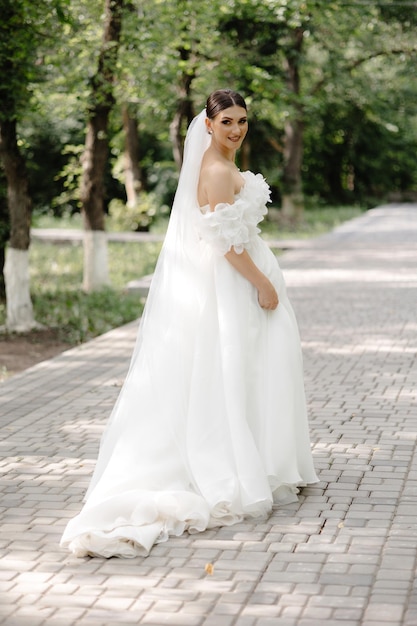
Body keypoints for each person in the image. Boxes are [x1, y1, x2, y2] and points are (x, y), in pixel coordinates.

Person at [60, 89, 318, 558]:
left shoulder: (224, 163)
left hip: (233, 279)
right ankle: (236, 465)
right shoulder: (217, 171)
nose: (237, 129)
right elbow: (227, 245)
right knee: (236, 368)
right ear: (209, 124)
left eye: (243, 121)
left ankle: (262, 458)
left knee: (249, 370)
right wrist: (263, 284)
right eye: (228, 123)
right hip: (233, 283)